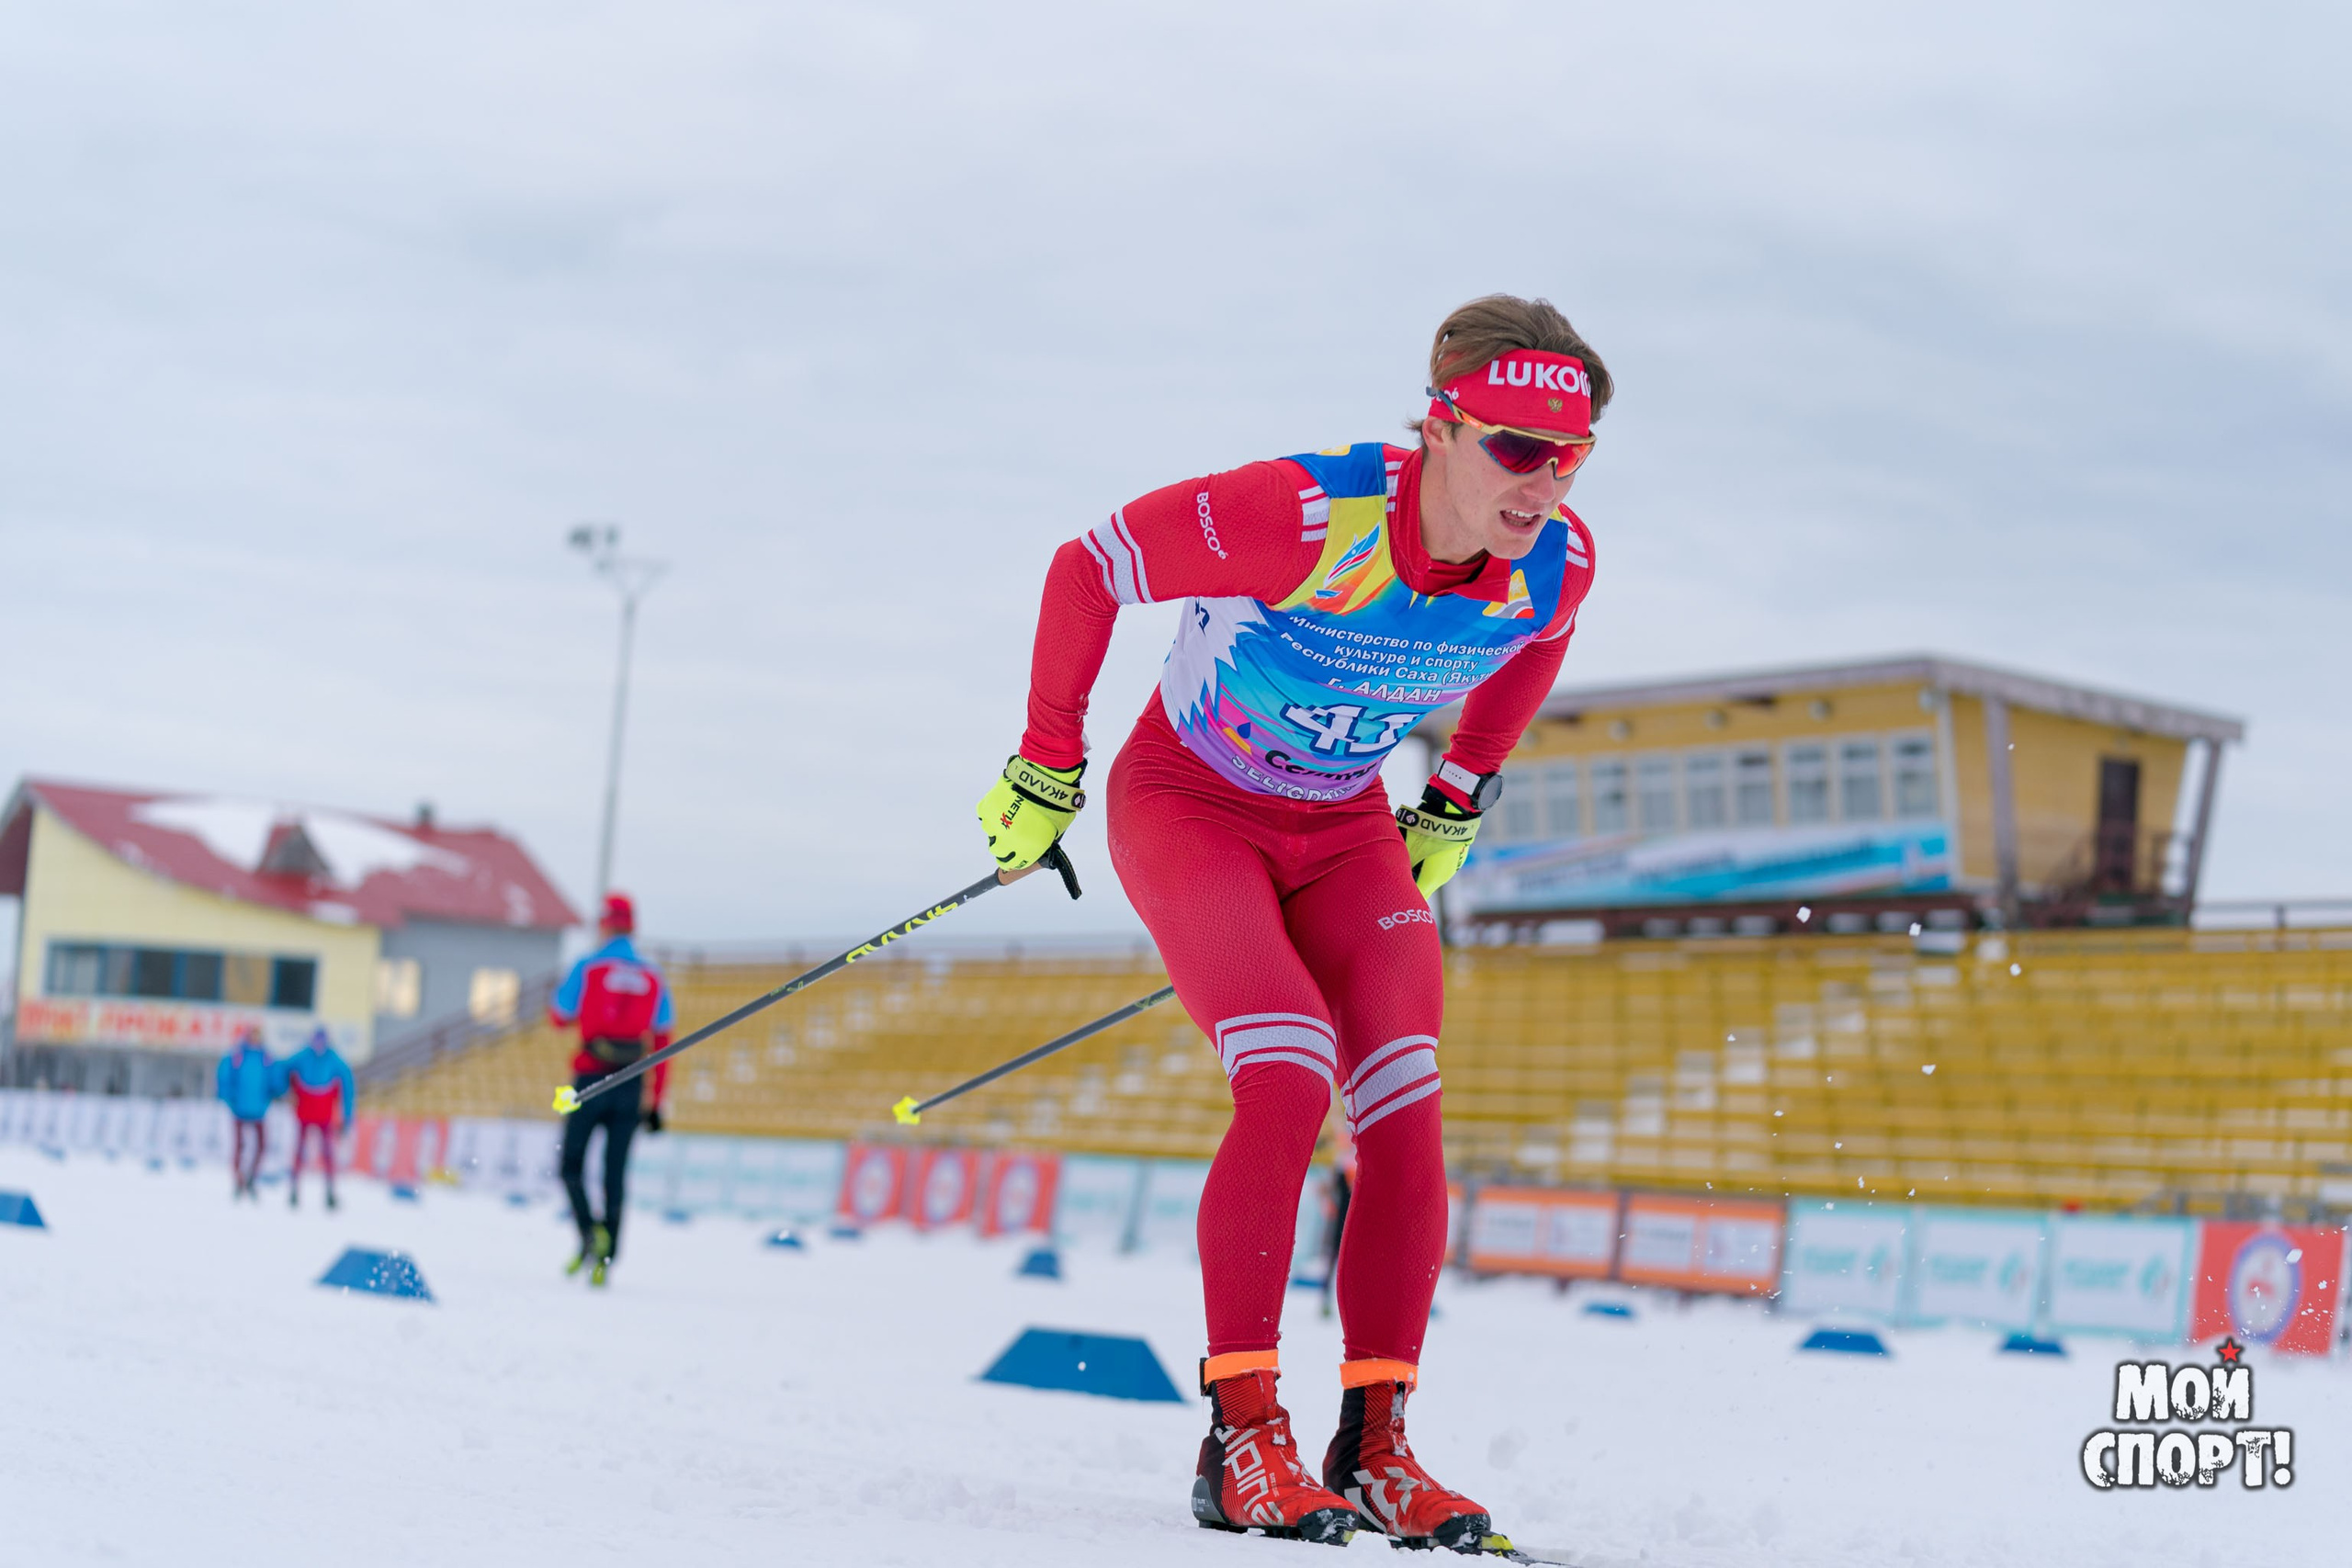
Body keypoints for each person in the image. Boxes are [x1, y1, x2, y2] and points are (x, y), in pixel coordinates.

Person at [976, 295, 1605, 1551]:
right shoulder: (1304, 515)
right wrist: (1049, 764)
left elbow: (1541, 642)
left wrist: (1459, 792)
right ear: (1440, 427)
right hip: (1192, 803)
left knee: (1407, 1099)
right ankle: (1242, 1432)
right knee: (1285, 1069)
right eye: (1516, 449)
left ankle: (1376, 1442)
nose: (1544, 482)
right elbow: (1088, 564)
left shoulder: (1557, 559)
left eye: (1571, 453)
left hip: (1345, 828)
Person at [549, 891, 674, 1286]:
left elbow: (559, 1016)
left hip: (590, 1077)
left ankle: (588, 1234)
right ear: (633, 926)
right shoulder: (654, 975)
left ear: (604, 924)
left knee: (571, 1164)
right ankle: (606, 1256)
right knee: (615, 1175)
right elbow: (663, 1041)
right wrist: (656, 1100)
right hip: (632, 1082)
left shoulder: (588, 967)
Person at [275, 1027, 356, 1210]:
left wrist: (347, 1118)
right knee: (299, 1151)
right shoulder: (302, 1056)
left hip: (324, 1116)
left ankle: (330, 1192)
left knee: (327, 1153)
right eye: (316, 1041)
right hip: (304, 1113)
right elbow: (282, 1069)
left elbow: (348, 1090)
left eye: (322, 1041)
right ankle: (294, 1190)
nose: (319, 1045)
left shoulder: (335, 1061)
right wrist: (285, 1091)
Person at [215, 1024, 277, 1201]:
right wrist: (230, 1100)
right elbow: (224, 1079)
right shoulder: (237, 1056)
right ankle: (238, 1180)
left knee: (262, 1145)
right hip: (239, 1109)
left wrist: (270, 1098)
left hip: (259, 1110)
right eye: (253, 1036)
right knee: (239, 1147)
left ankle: (252, 1177)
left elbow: (273, 1080)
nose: (255, 1040)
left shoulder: (266, 1057)